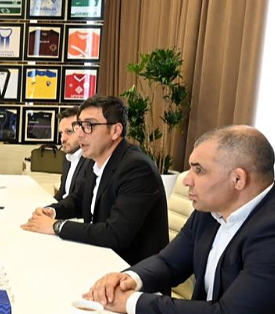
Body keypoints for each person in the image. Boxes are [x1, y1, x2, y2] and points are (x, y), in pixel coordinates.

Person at [84, 126, 275, 314]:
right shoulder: (212, 207)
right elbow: (169, 262)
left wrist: (132, 302)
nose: (187, 181)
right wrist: (130, 279)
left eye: (199, 170)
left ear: (238, 178)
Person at [22, 95, 168, 266]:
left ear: (115, 131)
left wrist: (56, 226)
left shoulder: (136, 168)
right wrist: (52, 211)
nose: (80, 134)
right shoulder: (96, 160)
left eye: (89, 126)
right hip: (99, 256)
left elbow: (115, 234)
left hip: (131, 269)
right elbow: (78, 200)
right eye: (79, 126)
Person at [53, 106, 91, 201]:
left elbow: (79, 201)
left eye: (69, 132)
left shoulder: (91, 161)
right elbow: (62, 194)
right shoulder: (68, 159)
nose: (63, 139)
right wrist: (47, 207)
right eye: (61, 133)